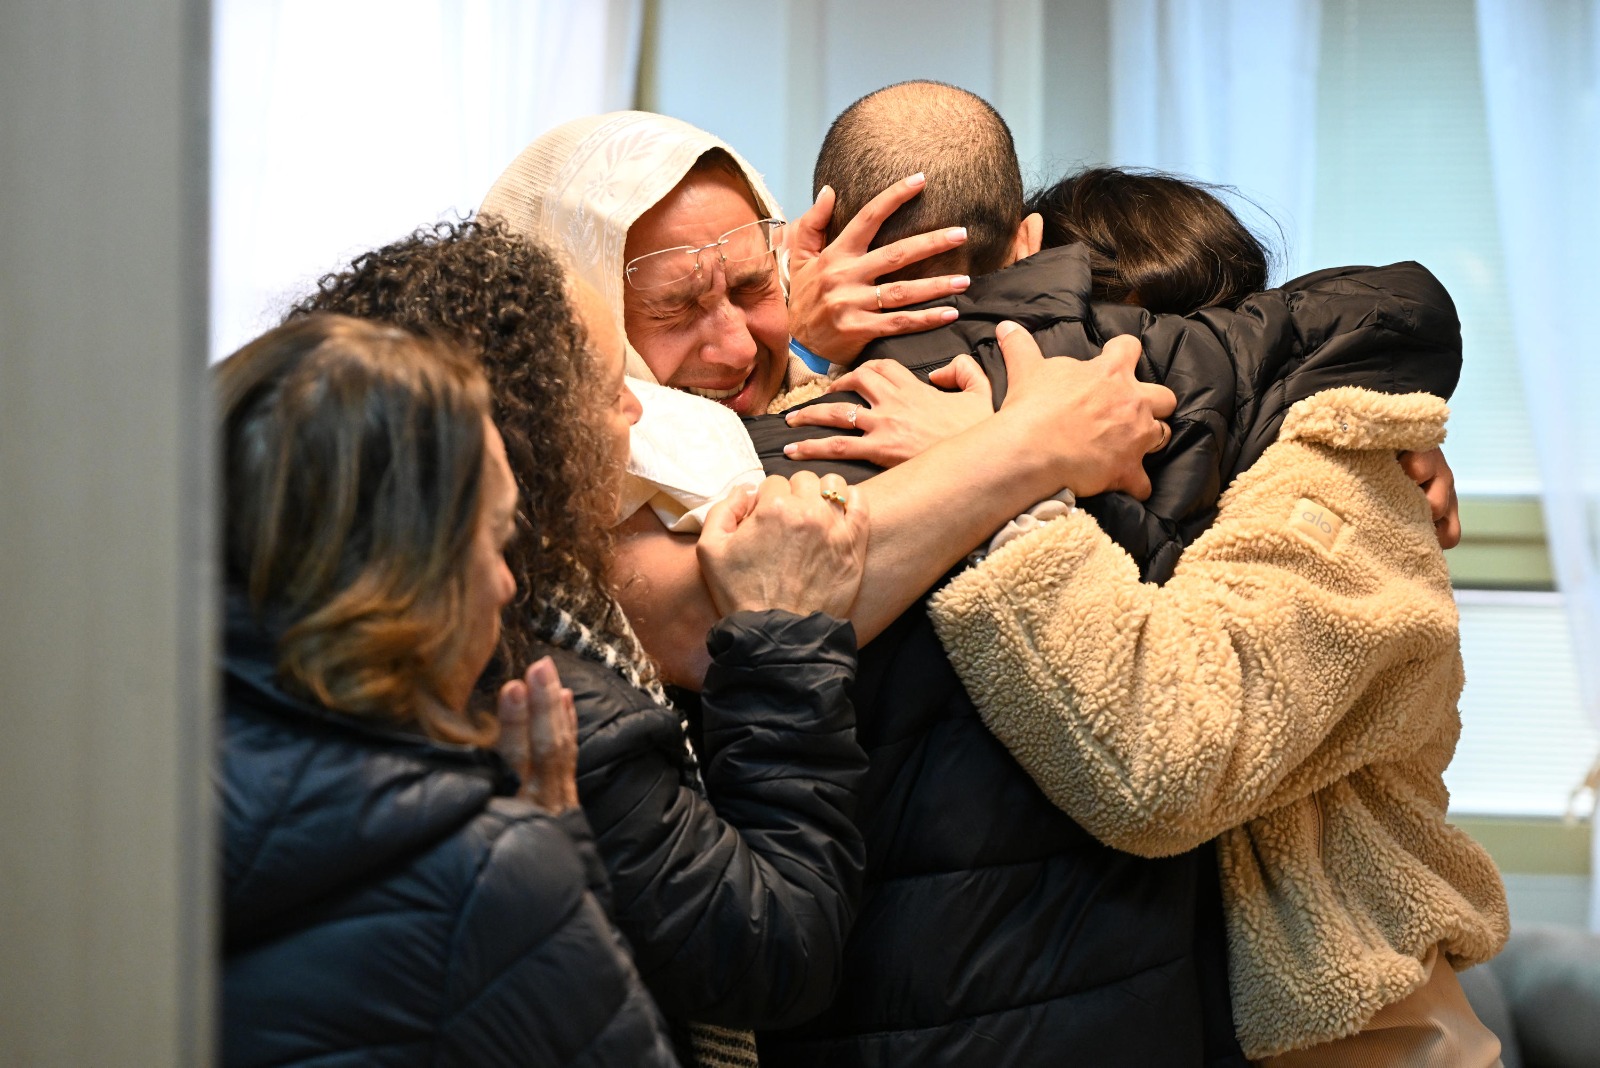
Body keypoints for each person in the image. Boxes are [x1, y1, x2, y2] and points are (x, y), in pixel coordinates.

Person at [759, 83, 1505, 1065]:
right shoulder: (947, 442)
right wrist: (800, 340)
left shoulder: (1336, 490)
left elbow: (1164, 758)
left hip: (1364, 1039)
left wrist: (1006, 469)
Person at [291, 223, 885, 1067]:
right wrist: (783, 642)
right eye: (612, 389)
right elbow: (772, 954)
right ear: (535, 434)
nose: (639, 409)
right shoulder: (549, 694)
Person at [217, 314, 679, 1066]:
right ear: (403, 578)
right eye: (494, 540)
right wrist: (558, 861)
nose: (506, 582)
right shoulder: (491, 879)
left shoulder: (89, 802)